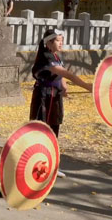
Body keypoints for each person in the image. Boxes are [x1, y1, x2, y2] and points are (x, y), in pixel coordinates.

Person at [29, 29, 92, 178]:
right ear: (49, 43)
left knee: (53, 130)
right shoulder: (46, 56)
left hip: (54, 97)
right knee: (41, 130)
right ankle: (35, 165)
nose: (61, 42)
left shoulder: (56, 56)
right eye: (58, 40)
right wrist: (86, 86)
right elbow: (67, 73)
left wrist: (63, 86)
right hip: (44, 97)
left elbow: (61, 75)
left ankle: (50, 166)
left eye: (62, 40)